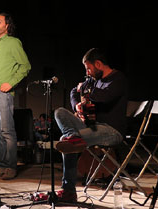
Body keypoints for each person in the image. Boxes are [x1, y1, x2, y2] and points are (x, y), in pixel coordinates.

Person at [54, 48, 128, 202]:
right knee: (60, 112)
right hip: (92, 127)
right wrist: (77, 106)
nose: (87, 73)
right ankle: (73, 137)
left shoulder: (118, 79)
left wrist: (85, 91)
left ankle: (68, 191)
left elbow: (105, 97)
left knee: (65, 140)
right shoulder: (93, 80)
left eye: (89, 68)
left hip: (112, 130)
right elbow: (74, 91)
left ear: (99, 64)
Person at [0, 12, 31, 180]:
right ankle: (3, 165)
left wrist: (11, 83)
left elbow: (25, 66)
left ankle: (11, 166)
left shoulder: (13, 42)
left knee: (7, 131)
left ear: (7, 26)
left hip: (3, 93)